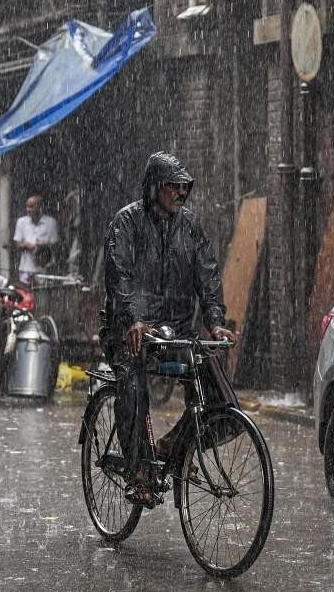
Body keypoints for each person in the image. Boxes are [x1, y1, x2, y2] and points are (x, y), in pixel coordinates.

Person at [100, 151, 236, 504]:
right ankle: (138, 472)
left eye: (184, 187)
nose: (181, 193)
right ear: (155, 187)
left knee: (221, 399)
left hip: (176, 333)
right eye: (173, 186)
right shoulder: (125, 223)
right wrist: (132, 320)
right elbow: (120, 277)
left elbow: (208, 277)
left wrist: (215, 323)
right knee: (132, 387)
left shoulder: (190, 226)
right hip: (129, 332)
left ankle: (176, 445)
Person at [13, 195, 59, 284]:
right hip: (26, 269)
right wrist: (28, 245)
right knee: (27, 296)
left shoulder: (51, 223)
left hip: (44, 270)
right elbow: (17, 244)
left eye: (31, 207)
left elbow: (55, 246)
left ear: (40, 207)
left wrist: (42, 248)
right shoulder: (21, 222)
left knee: (43, 296)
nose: (28, 210)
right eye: (27, 207)